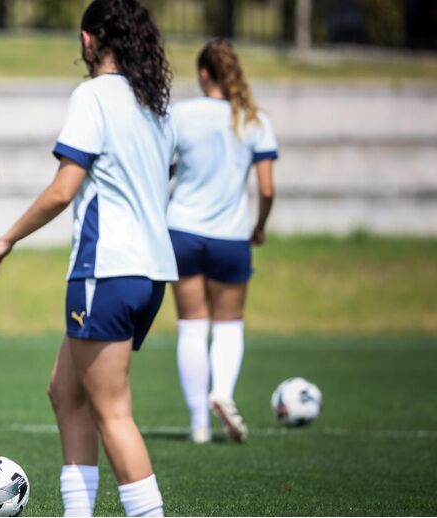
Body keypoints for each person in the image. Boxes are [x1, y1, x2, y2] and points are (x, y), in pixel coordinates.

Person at [0, 1, 174, 516]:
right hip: (151, 273)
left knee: (112, 412)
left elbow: (64, 190)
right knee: (66, 393)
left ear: (90, 40)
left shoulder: (93, 96)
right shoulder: (154, 102)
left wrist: (8, 238)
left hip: (105, 271)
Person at [168, 38, 278, 445]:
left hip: (182, 231)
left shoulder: (180, 115)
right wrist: (260, 226)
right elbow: (266, 190)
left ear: (202, 73)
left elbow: (162, 169)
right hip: (231, 236)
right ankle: (223, 393)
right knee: (228, 325)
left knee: (191, 326)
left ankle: (199, 424)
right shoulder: (254, 120)